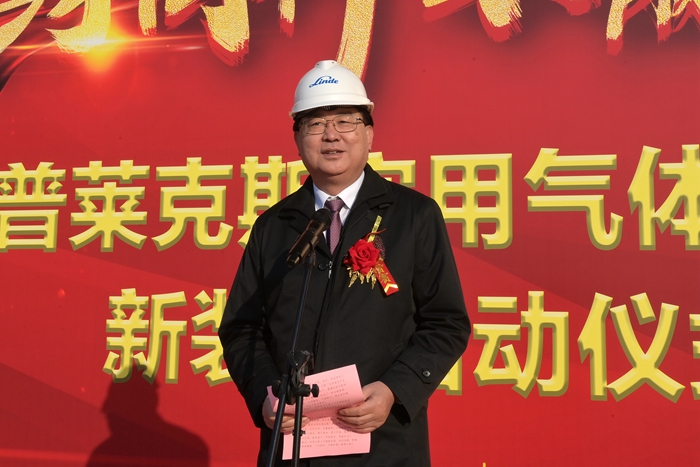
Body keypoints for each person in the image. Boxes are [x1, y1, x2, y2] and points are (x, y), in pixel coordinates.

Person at [219, 60, 470, 466]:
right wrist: (266, 392)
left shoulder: (413, 216)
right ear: (297, 138)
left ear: (369, 134)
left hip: (383, 444)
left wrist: (393, 390)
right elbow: (241, 328)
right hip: (294, 446)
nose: (331, 135)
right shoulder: (275, 226)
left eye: (345, 121)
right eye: (315, 123)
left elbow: (446, 322)